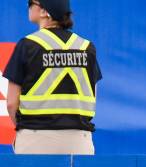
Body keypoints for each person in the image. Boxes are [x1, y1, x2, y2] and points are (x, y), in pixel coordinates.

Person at [4, 0, 101, 155]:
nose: (28, 6)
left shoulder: (27, 45)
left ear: (44, 12)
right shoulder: (87, 47)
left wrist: (24, 131)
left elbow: (11, 103)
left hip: (35, 141)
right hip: (80, 141)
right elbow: (92, 95)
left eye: (31, 3)